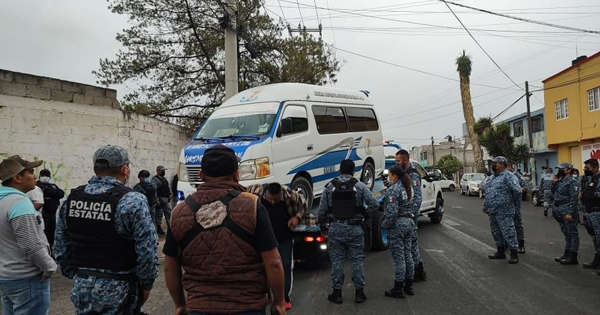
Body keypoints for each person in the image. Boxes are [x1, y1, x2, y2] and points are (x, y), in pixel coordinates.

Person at [163, 145, 286, 315]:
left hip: (199, 307)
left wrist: (180, 305)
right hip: (247, 307)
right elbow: (273, 262)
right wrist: (279, 302)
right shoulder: (253, 205)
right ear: (236, 174)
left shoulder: (178, 212)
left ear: (201, 176)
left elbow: (170, 266)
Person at [54, 145, 159, 314]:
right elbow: (147, 250)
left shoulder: (71, 198)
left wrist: (78, 275)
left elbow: (60, 246)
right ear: (125, 169)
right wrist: (146, 284)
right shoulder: (132, 200)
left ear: (95, 168)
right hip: (121, 289)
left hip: (82, 287)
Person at [0, 156, 56, 315]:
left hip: (6, 277)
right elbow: (31, 245)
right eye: (31, 172)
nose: (35, 176)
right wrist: (49, 267)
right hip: (27, 279)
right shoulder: (20, 203)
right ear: (17, 178)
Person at [318, 159, 379, 304]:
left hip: (336, 228)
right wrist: (364, 216)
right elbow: (374, 205)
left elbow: (321, 211)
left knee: (337, 261)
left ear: (340, 170)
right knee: (357, 260)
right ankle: (359, 293)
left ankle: (337, 293)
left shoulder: (329, 187)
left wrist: (323, 225)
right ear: (353, 171)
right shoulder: (360, 186)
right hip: (355, 228)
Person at [248, 182, 307, 310]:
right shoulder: (254, 193)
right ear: (265, 195)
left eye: (276, 200)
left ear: (281, 195)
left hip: (284, 237)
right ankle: (265, 294)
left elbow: (304, 205)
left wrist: (297, 217)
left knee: (285, 265)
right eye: (271, 200)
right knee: (261, 267)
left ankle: (284, 298)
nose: (273, 202)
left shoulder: (290, 195)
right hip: (263, 239)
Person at [382, 165, 416, 299]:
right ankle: (409, 285)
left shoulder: (393, 190)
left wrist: (384, 225)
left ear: (395, 176)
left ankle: (398, 288)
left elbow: (392, 213)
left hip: (398, 226)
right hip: (409, 223)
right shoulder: (408, 187)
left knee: (399, 258)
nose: (388, 178)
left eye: (389, 175)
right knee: (408, 255)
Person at [395, 149, 427, 282]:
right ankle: (415, 271)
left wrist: (411, 214)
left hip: (410, 216)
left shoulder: (413, 175)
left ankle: (418, 272)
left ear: (405, 160)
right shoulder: (402, 174)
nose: (397, 163)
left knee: (412, 244)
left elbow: (417, 197)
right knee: (409, 245)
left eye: (398, 161)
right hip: (404, 215)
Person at [483, 156, 521, 264]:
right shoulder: (492, 177)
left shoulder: (508, 176)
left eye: (496, 163)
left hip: (505, 210)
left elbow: (517, 191)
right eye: (493, 163)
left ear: (503, 164)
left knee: (509, 231)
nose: (494, 165)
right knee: (496, 232)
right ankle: (500, 252)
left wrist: (510, 203)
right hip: (492, 211)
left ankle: (514, 254)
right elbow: (488, 192)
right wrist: (486, 206)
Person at [551, 162, 580, 265]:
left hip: (567, 210)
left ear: (568, 170)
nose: (559, 171)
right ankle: (567, 254)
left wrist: (570, 213)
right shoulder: (560, 181)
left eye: (561, 169)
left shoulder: (572, 181)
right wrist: (554, 182)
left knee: (572, 233)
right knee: (566, 233)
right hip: (559, 210)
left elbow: (574, 198)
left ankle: (573, 256)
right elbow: (553, 193)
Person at [36, 169, 65, 249]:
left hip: (53, 213)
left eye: (47, 176)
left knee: (52, 233)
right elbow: (46, 192)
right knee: (44, 233)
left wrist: (51, 193)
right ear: (40, 176)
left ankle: (50, 249)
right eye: (43, 175)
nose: (45, 177)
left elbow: (61, 193)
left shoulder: (53, 185)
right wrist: (53, 194)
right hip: (42, 213)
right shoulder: (37, 185)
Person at [580, 159, 600, 270]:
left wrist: (590, 194)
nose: (585, 170)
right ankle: (597, 261)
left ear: (595, 167)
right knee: (595, 238)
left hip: (597, 212)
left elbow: (596, 193)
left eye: (588, 168)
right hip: (589, 212)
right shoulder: (591, 178)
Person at [507, 165, 526, 254]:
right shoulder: (499, 176)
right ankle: (508, 244)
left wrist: (516, 191)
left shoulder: (516, 176)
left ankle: (521, 245)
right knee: (506, 226)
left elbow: (524, 186)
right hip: (505, 207)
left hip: (515, 205)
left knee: (517, 225)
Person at [152, 165, 171, 235]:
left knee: (168, 214)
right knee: (159, 215)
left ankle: (170, 229)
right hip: (160, 200)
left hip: (166, 199)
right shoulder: (154, 180)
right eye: (162, 170)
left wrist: (170, 194)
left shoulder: (164, 179)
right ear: (157, 171)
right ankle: (158, 229)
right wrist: (156, 200)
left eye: (164, 170)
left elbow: (167, 187)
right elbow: (154, 191)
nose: (163, 171)